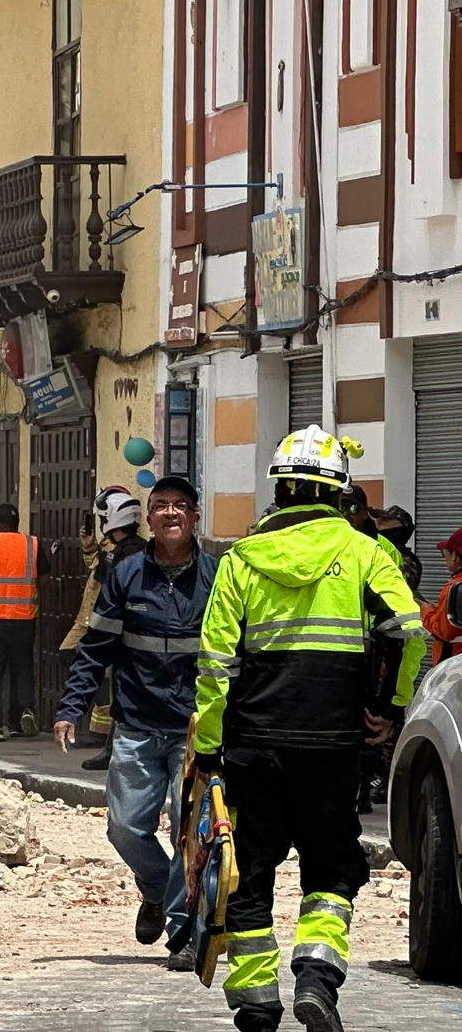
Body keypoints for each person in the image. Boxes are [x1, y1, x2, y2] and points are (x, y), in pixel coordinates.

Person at [196, 426, 425, 1032]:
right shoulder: (366, 554)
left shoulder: (239, 559)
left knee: (250, 871)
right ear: (336, 491)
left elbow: (216, 664)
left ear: (281, 487)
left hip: (254, 744)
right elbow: (410, 630)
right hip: (332, 746)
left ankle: (255, 1001)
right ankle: (318, 980)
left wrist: (206, 747)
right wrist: (388, 706)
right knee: (331, 868)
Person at [54, 475, 213, 971]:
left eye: (180, 506)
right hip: (138, 724)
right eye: (160, 505)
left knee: (189, 832)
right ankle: (155, 887)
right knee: (124, 828)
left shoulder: (216, 576)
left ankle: (182, 930)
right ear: (148, 519)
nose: (170, 514)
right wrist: (71, 706)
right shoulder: (126, 576)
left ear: (194, 517)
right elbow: (96, 647)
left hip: (196, 727)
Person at [65, 488, 148, 771]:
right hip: (101, 623)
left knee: (116, 686)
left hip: (118, 628)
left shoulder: (132, 552)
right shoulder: (119, 550)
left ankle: (109, 745)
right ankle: (107, 743)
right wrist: (89, 547)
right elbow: (98, 573)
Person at [0, 502, 51, 742]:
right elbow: (44, 579)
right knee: (23, 668)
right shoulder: (32, 543)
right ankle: (23, 713)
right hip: (23, 617)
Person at [425, 527, 462, 665]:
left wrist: (425, 610)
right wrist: (439, 610)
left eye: (445, 553)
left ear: (454, 556)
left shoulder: (455, 587)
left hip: (453, 663)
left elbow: (443, 631)